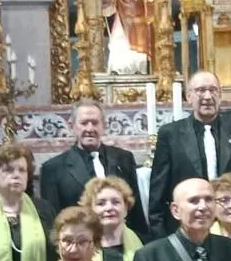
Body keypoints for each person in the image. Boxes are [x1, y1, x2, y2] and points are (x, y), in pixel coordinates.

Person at [148, 71, 231, 238]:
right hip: (186, 228)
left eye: (213, 90)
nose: (207, 96)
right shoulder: (171, 134)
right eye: (200, 90)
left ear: (220, 95)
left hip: (230, 228)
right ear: (188, 96)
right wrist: (160, 237)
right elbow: (158, 193)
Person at [39, 98, 150, 237]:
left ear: (104, 125)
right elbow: (53, 222)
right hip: (80, 245)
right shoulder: (53, 168)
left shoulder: (124, 159)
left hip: (123, 241)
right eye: (84, 123)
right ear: (72, 126)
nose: (90, 129)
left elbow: (135, 211)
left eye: (95, 123)